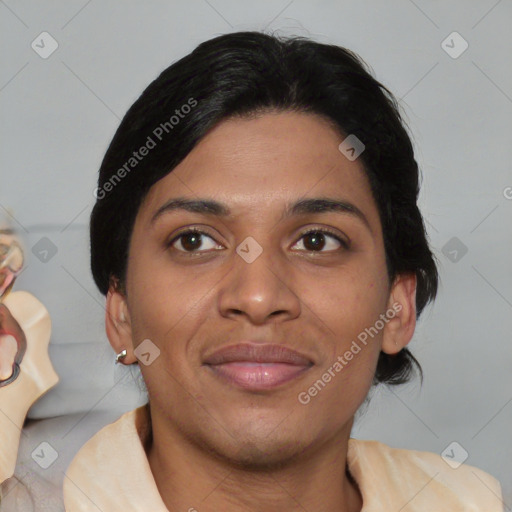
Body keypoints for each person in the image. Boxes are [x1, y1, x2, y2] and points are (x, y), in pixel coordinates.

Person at [1, 31, 504, 511]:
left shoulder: (472, 502)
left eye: (316, 241)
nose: (259, 296)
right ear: (121, 313)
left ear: (397, 307)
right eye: (194, 241)